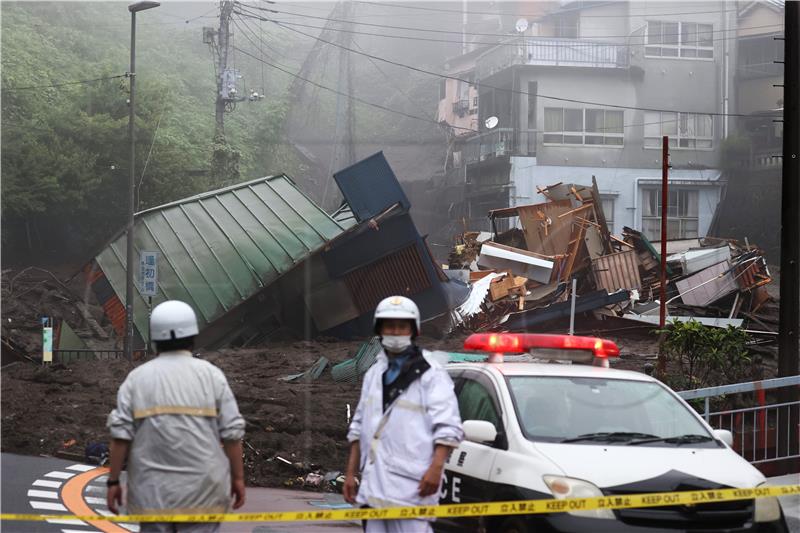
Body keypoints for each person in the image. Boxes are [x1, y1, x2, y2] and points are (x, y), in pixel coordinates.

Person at [106, 300, 246, 533]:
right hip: (204, 493)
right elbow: (232, 434)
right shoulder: (212, 376)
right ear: (192, 335)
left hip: (152, 494)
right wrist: (238, 479)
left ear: (155, 339)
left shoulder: (137, 379)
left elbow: (120, 437)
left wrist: (113, 482)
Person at [343, 296, 463, 533]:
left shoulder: (431, 373)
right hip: (374, 489)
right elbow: (358, 426)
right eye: (389, 326)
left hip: (413, 489)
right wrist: (350, 473)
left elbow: (448, 428)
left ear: (413, 330)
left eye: (402, 326)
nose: (395, 332)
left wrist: (436, 469)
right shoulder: (374, 373)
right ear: (380, 330)